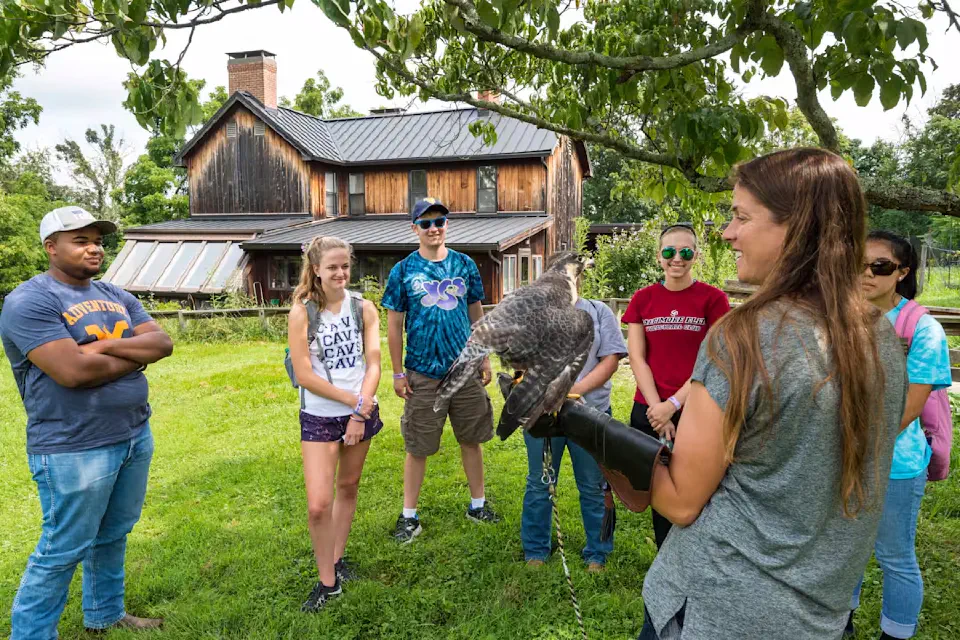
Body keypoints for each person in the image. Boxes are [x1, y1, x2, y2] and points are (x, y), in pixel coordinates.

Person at [637, 149, 907, 639]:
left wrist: (598, 438)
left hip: (714, 610)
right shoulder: (880, 337)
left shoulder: (743, 337)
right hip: (819, 617)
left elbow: (680, 502)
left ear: (797, 227)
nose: (727, 233)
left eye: (741, 216)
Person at [0, 206, 174, 638]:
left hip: (133, 434)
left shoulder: (117, 293)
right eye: (80, 240)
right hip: (73, 445)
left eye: (97, 238)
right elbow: (71, 373)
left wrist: (94, 350)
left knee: (113, 532)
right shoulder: (28, 301)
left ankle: (105, 613)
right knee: (62, 548)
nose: (94, 247)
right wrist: (130, 357)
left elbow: (163, 343)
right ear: (51, 247)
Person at [846, 230, 951, 639]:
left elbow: (910, 406)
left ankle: (895, 635)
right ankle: (842, 623)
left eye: (880, 266)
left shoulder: (923, 330)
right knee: (846, 550)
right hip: (840, 457)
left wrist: (861, 447)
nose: (866, 274)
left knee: (894, 557)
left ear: (902, 272)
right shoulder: (839, 318)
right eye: (858, 264)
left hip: (895, 464)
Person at [382, 197, 499, 543]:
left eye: (439, 222)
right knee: (418, 445)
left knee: (472, 438)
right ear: (414, 228)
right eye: (426, 223)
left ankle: (477, 504)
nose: (433, 228)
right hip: (422, 373)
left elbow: (477, 313)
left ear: (447, 225)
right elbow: (393, 326)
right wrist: (397, 372)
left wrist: (485, 356)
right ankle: (409, 516)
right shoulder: (402, 271)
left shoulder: (465, 265)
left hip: (465, 370)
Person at [287, 236, 383, 612]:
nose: (340, 273)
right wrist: (352, 402)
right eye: (332, 267)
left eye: (345, 266)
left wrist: (360, 413)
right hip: (320, 415)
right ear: (316, 270)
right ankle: (328, 584)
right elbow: (305, 375)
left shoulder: (364, 308)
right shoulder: (302, 312)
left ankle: (336, 564)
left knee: (348, 486)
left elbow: (373, 363)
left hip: (360, 409)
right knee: (317, 504)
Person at [621, 224, 729, 548]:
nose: (676, 259)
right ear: (659, 257)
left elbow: (712, 358)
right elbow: (637, 358)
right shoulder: (643, 299)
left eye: (685, 252)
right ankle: (665, 562)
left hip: (697, 408)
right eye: (669, 252)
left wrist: (674, 405)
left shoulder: (713, 299)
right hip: (649, 410)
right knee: (660, 490)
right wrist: (658, 409)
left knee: (701, 491)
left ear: (696, 255)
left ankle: (699, 559)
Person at [521, 278, 627, 571]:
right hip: (543, 417)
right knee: (540, 483)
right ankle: (535, 550)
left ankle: (598, 551)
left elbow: (611, 360)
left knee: (594, 485)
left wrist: (570, 392)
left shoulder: (599, 311)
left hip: (590, 414)